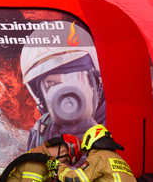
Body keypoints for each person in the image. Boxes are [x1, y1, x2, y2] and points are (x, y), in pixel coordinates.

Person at [20, 21, 106, 149]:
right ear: (42, 99)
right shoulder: (42, 130)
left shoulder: (122, 121)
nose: (66, 92)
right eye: (52, 84)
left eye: (74, 78)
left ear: (96, 82)